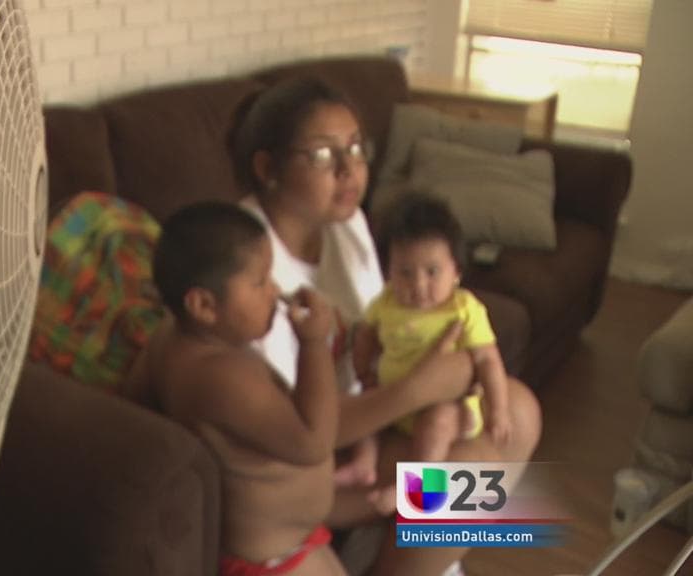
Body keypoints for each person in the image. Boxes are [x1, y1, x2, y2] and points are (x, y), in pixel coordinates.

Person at [227, 77, 542, 576]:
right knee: (464, 472)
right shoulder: (248, 270)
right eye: (324, 156)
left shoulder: (344, 223)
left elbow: (384, 329)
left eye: (356, 147)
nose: (351, 169)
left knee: (518, 410)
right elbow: (297, 434)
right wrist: (419, 389)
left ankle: (416, 561)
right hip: (302, 470)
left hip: (370, 426)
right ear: (268, 169)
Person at [126, 201, 349, 576]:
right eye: (260, 282)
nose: (275, 290)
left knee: (476, 483)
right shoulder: (218, 374)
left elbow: (136, 403)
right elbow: (314, 441)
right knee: (475, 486)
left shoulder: (171, 339)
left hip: (307, 526)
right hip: (277, 559)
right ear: (203, 306)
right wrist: (314, 344)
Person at [339, 192, 511, 499]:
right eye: (404, 273)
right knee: (366, 405)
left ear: (456, 271)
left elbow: (488, 360)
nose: (418, 286)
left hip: (448, 406)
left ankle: (415, 490)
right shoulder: (385, 303)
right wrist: (363, 368)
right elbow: (366, 334)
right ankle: (363, 463)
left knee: (437, 422)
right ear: (388, 272)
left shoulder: (463, 308)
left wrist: (498, 410)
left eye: (432, 272)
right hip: (394, 401)